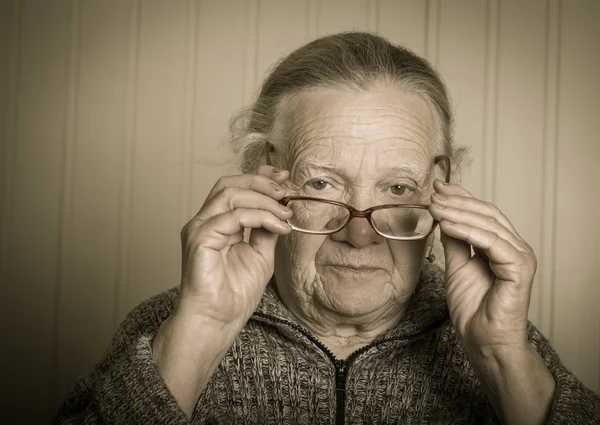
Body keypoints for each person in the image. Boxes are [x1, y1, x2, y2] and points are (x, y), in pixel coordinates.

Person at [53, 32, 600, 425]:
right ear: (265, 176)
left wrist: (503, 357)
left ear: (442, 189)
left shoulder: (506, 342)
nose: (359, 234)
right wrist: (201, 331)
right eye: (321, 185)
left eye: (397, 188)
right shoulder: (168, 326)